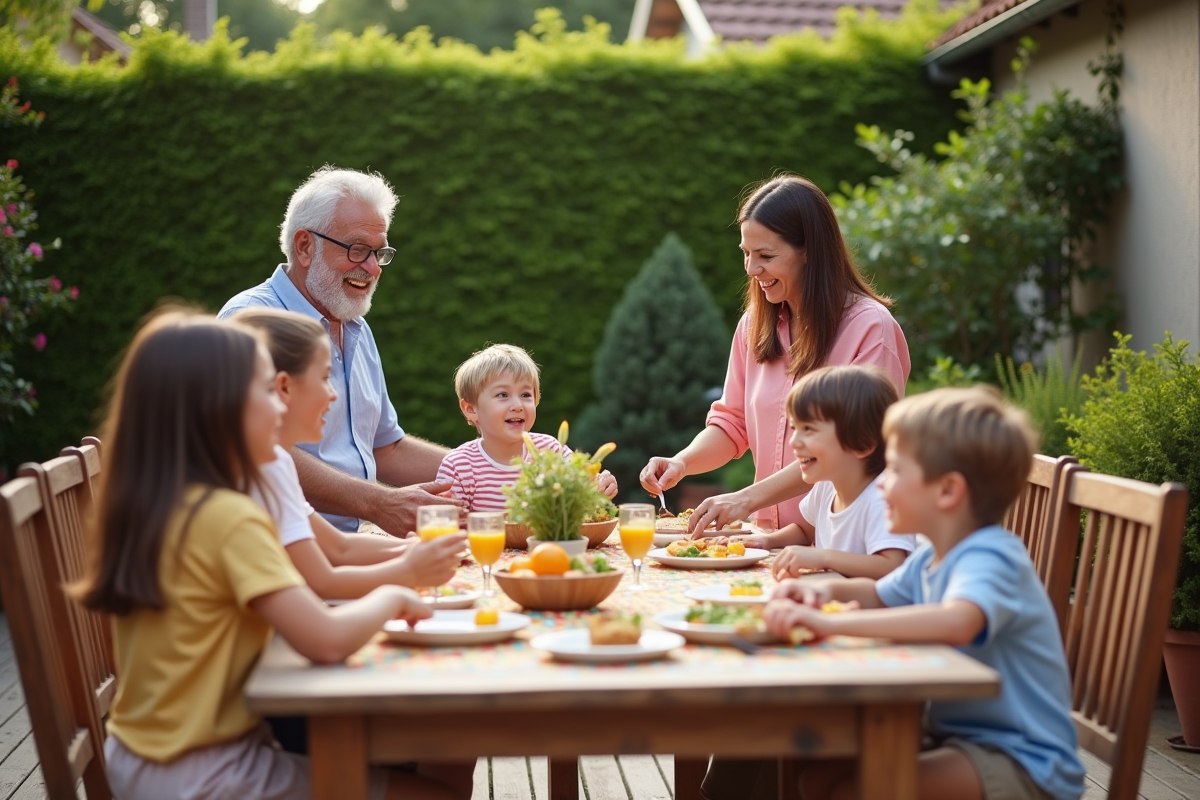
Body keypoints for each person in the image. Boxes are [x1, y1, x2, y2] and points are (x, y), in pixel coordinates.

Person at [75, 310, 473, 800]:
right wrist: (396, 592)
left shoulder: (172, 503)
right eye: (267, 389)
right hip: (200, 772)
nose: (280, 402)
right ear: (218, 408)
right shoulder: (228, 518)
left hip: (151, 757)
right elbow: (325, 639)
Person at [760, 386, 1085, 800]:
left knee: (848, 791)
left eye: (895, 470)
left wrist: (830, 623)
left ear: (947, 491)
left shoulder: (990, 556)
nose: (881, 485)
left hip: (1023, 759)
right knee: (815, 781)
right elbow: (877, 594)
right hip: (959, 737)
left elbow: (958, 622)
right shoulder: (932, 556)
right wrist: (821, 594)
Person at [639, 174, 910, 534]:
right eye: (746, 253)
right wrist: (682, 462)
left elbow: (852, 447)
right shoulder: (753, 326)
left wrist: (746, 498)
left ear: (809, 250)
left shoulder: (871, 328)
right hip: (766, 540)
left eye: (766, 255)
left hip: (844, 543)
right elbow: (732, 424)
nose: (751, 269)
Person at [220, 166, 459, 538]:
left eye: (379, 253)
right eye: (357, 250)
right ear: (304, 246)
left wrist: (495, 469)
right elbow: (253, 449)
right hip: (278, 548)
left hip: (349, 544)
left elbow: (385, 448)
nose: (372, 268)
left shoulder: (354, 326)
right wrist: (377, 503)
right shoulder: (250, 322)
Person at [235, 308, 467, 595]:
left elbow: (339, 547)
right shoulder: (251, 477)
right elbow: (322, 588)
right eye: (325, 378)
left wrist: (414, 549)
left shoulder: (277, 464)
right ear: (283, 387)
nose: (334, 394)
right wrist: (406, 574)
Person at [707, 365, 915, 580]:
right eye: (795, 428)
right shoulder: (827, 485)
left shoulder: (883, 498)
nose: (794, 442)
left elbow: (892, 566)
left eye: (808, 429)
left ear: (863, 444)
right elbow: (805, 530)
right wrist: (766, 541)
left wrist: (823, 557)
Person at [436, 344, 617, 511]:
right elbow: (447, 525)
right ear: (470, 409)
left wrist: (600, 486)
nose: (518, 405)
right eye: (502, 394)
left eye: (525, 395)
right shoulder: (459, 466)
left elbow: (584, 492)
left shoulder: (551, 451)